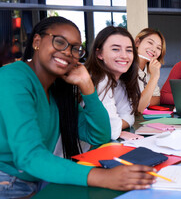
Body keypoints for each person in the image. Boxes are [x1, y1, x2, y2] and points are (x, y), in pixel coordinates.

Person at [0, 17, 155, 198]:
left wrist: (87, 86)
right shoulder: (12, 79)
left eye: (75, 48)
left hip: (38, 178)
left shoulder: (57, 89)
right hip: (8, 180)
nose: (67, 52)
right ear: (36, 42)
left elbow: (99, 136)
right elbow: (29, 156)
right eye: (59, 42)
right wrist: (102, 177)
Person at [85, 26, 140, 140]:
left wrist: (115, 125)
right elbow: (110, 130)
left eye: (129, 50)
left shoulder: (120, 82)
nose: (124, 56)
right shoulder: (99, 80)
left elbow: (129, 117)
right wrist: (115, 126)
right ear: (99, 54)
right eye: (115, 49)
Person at [135, 28, 166, 113]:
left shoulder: (150, 70)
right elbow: (136, 106)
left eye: (158, 48)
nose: (153, 49)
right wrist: (155, 77)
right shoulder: (125, 68)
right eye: (150, 42)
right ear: (137, 42)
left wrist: (143, 100)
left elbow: (157, 98)